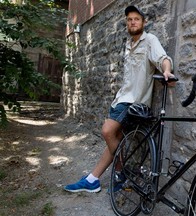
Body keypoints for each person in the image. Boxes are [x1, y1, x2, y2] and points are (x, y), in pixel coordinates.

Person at [64, 5, 174, 193]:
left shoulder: (150, 40)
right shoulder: (128, 44)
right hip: (121, 99)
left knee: (107, 132)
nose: (133, 22)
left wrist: (167, 71)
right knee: (116, 139)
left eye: (136, 19)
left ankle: (121, 171)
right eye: (130, 20)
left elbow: (163, 58)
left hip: (133, 102)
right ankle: (93, 179)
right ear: (127, 23)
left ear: (143, 22)